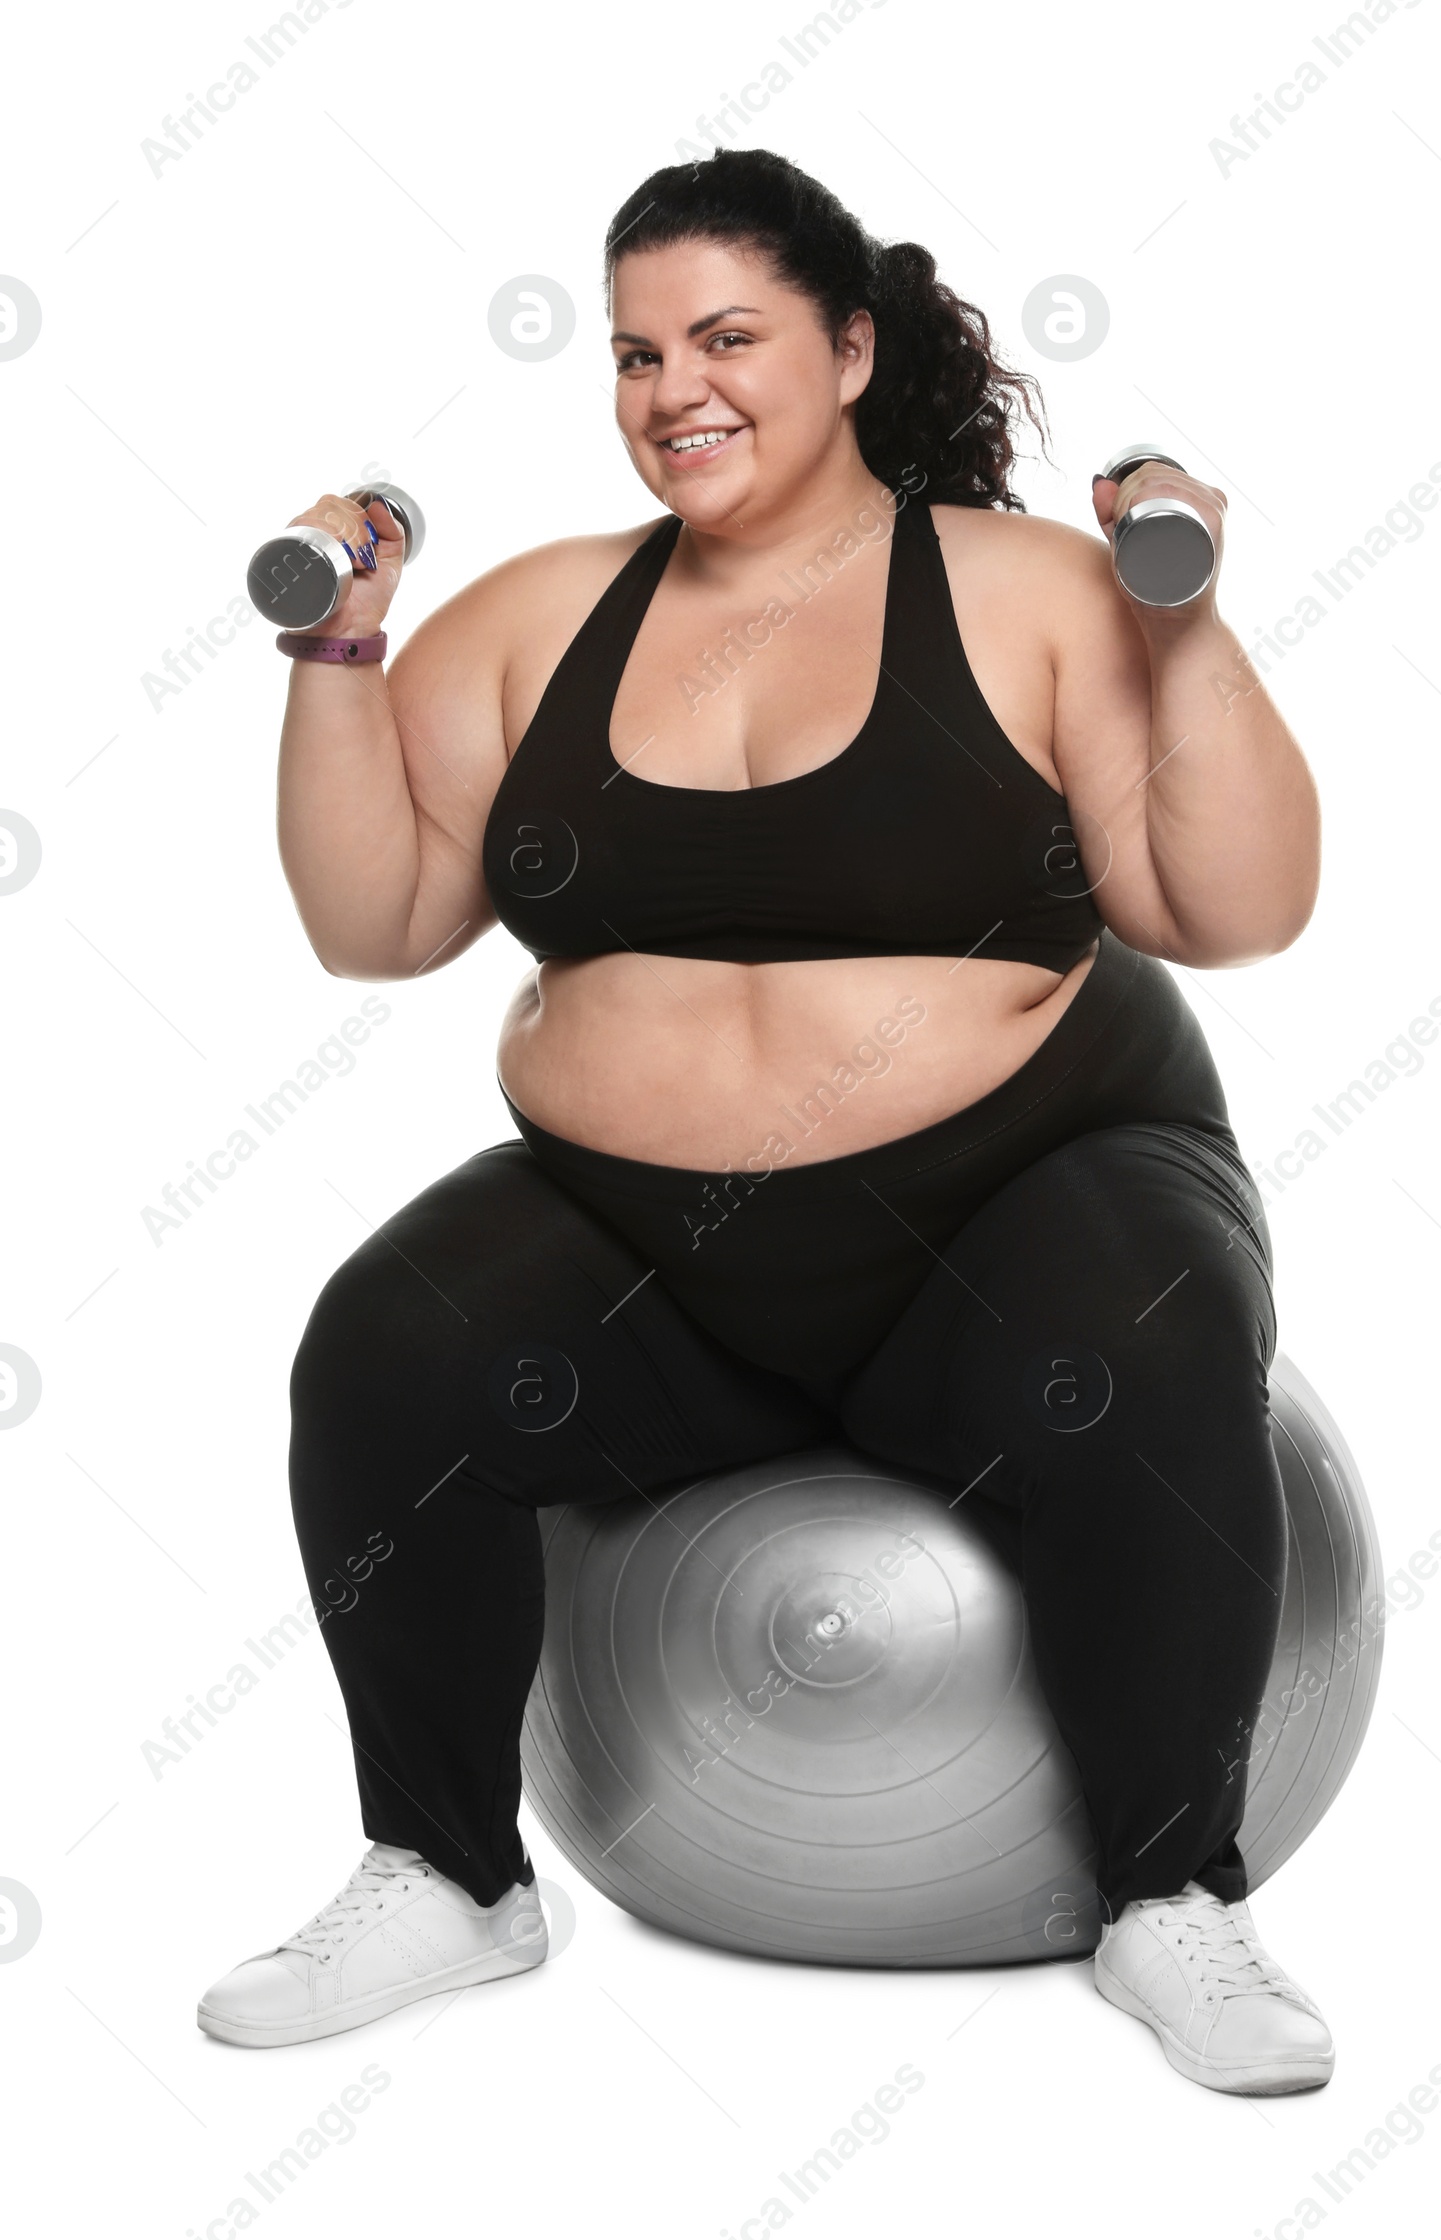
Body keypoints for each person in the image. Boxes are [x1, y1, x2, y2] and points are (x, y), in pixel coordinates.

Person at [196, 148, 1329, 2095]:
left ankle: (1170, 1895)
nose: (671, 390)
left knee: (1140, 1339)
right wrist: (337, 659)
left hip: (1016, 1201)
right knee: (384, 1349)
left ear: (851, 348)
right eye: (634, 353)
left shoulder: (1030, 593)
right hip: (656, 1251)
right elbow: (373, 925)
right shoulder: (542, 616)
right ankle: (449, 1871)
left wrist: (1188, 626)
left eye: (726, 337)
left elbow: (1229, 910)